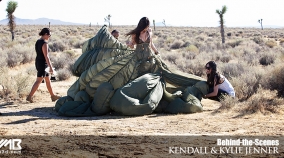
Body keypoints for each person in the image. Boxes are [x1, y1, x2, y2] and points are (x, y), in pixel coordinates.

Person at [56, 17, 205, 116]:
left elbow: (150, 45)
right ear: (144, 25)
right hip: (138, 60)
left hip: (148, 59)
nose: (147, 28)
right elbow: (133, 45)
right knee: (134, 79)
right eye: (146, 26)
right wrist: (123, 48)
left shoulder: (147, 33)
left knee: (162, 76)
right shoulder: (139, 34)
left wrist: (157, 54)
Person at [26, 28, 60, 103]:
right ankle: (29, 96)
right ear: (45, 34)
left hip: (38, 62)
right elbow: (46, 56)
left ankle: (52, 96)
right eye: (49, 35)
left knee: (47, 80)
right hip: (43, 64)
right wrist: (51, 67)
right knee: (38, 80)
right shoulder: (44, 43)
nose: (49, 36)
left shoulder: (38, 42)